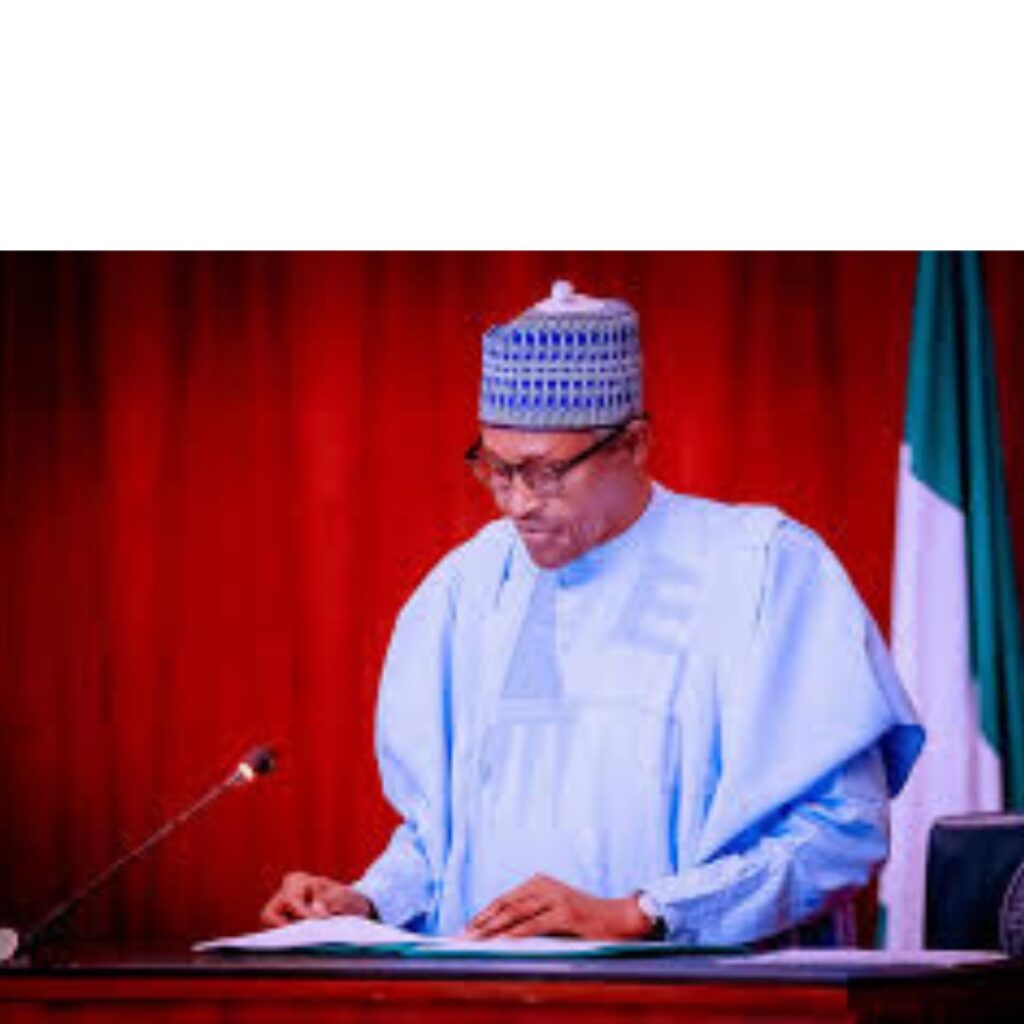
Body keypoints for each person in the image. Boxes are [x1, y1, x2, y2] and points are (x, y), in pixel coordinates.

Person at [261, 281, 924, 945]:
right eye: (496, 469)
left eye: (545, 472)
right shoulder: (466, 588)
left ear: (633, 444)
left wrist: (644, 914)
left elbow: (841, 830)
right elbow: (438, 841)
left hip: (705, 991)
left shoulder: (764, 570)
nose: (517, 503)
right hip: (486, 990)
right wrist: (368, 901)